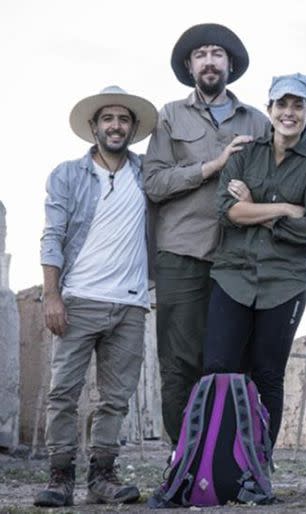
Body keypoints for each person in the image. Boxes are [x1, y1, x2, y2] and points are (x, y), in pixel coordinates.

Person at [143, 23, 271, 444]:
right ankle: (182, 462)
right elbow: (154, 183)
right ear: (189, 66)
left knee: (236, 361)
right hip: (181, 253)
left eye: (218, 54)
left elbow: (283, 175)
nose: (210, 61)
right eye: (201, 55)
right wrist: (211, 167)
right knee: (179, 363)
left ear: (230, 65)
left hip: (240, 257)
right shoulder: (169, 116)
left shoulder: (257, 120)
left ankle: (229, 462)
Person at [35, 86, 157, 507]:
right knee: (63, 392)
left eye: (123, 119)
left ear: (133, 128)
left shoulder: (147, 173)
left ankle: (102, 476)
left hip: (130, 303)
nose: (116, 125)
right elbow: (52, 237)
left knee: (116, 398)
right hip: (79, 298)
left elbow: (189, 175)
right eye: (108, 119)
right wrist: (52, 295)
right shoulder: (67, 174)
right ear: (94, 126)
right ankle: (59, 476)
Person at [203, 73, 306, 446]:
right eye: (282, 104)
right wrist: (285, 207)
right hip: (232, 277)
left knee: (268, 373)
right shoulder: (244, 154)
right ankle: (215, 458)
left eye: (298, 105)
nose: (289, 112)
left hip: (283, 282)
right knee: (218, 369)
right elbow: (228, 212)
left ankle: (258, 463)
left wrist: (254, 205)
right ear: (269, 108)